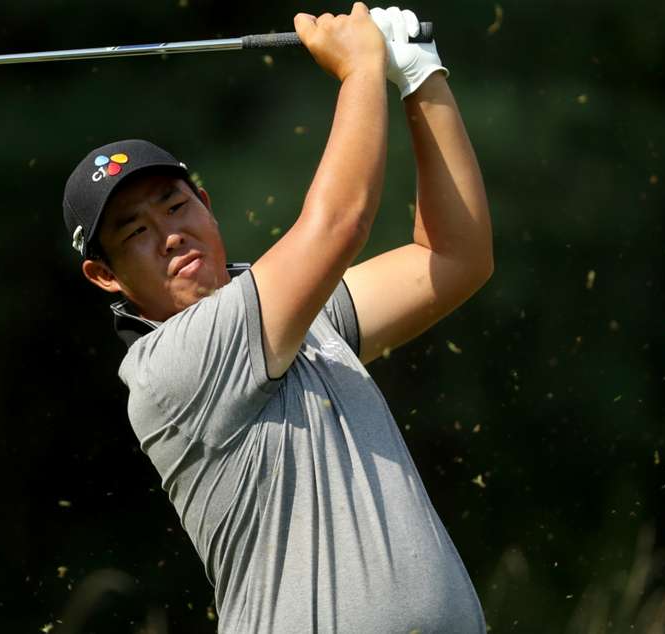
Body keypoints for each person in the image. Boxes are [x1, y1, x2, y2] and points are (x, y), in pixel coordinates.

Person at [61, 4, 492, 632]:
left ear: (206, 205)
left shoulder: (303, 318)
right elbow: (339, 224)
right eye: (135, 233)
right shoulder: (168, 368)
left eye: (175, 207)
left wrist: (421, 78)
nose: (170, 235)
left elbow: (455, 258)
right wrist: (361, 69)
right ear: (105, 276)